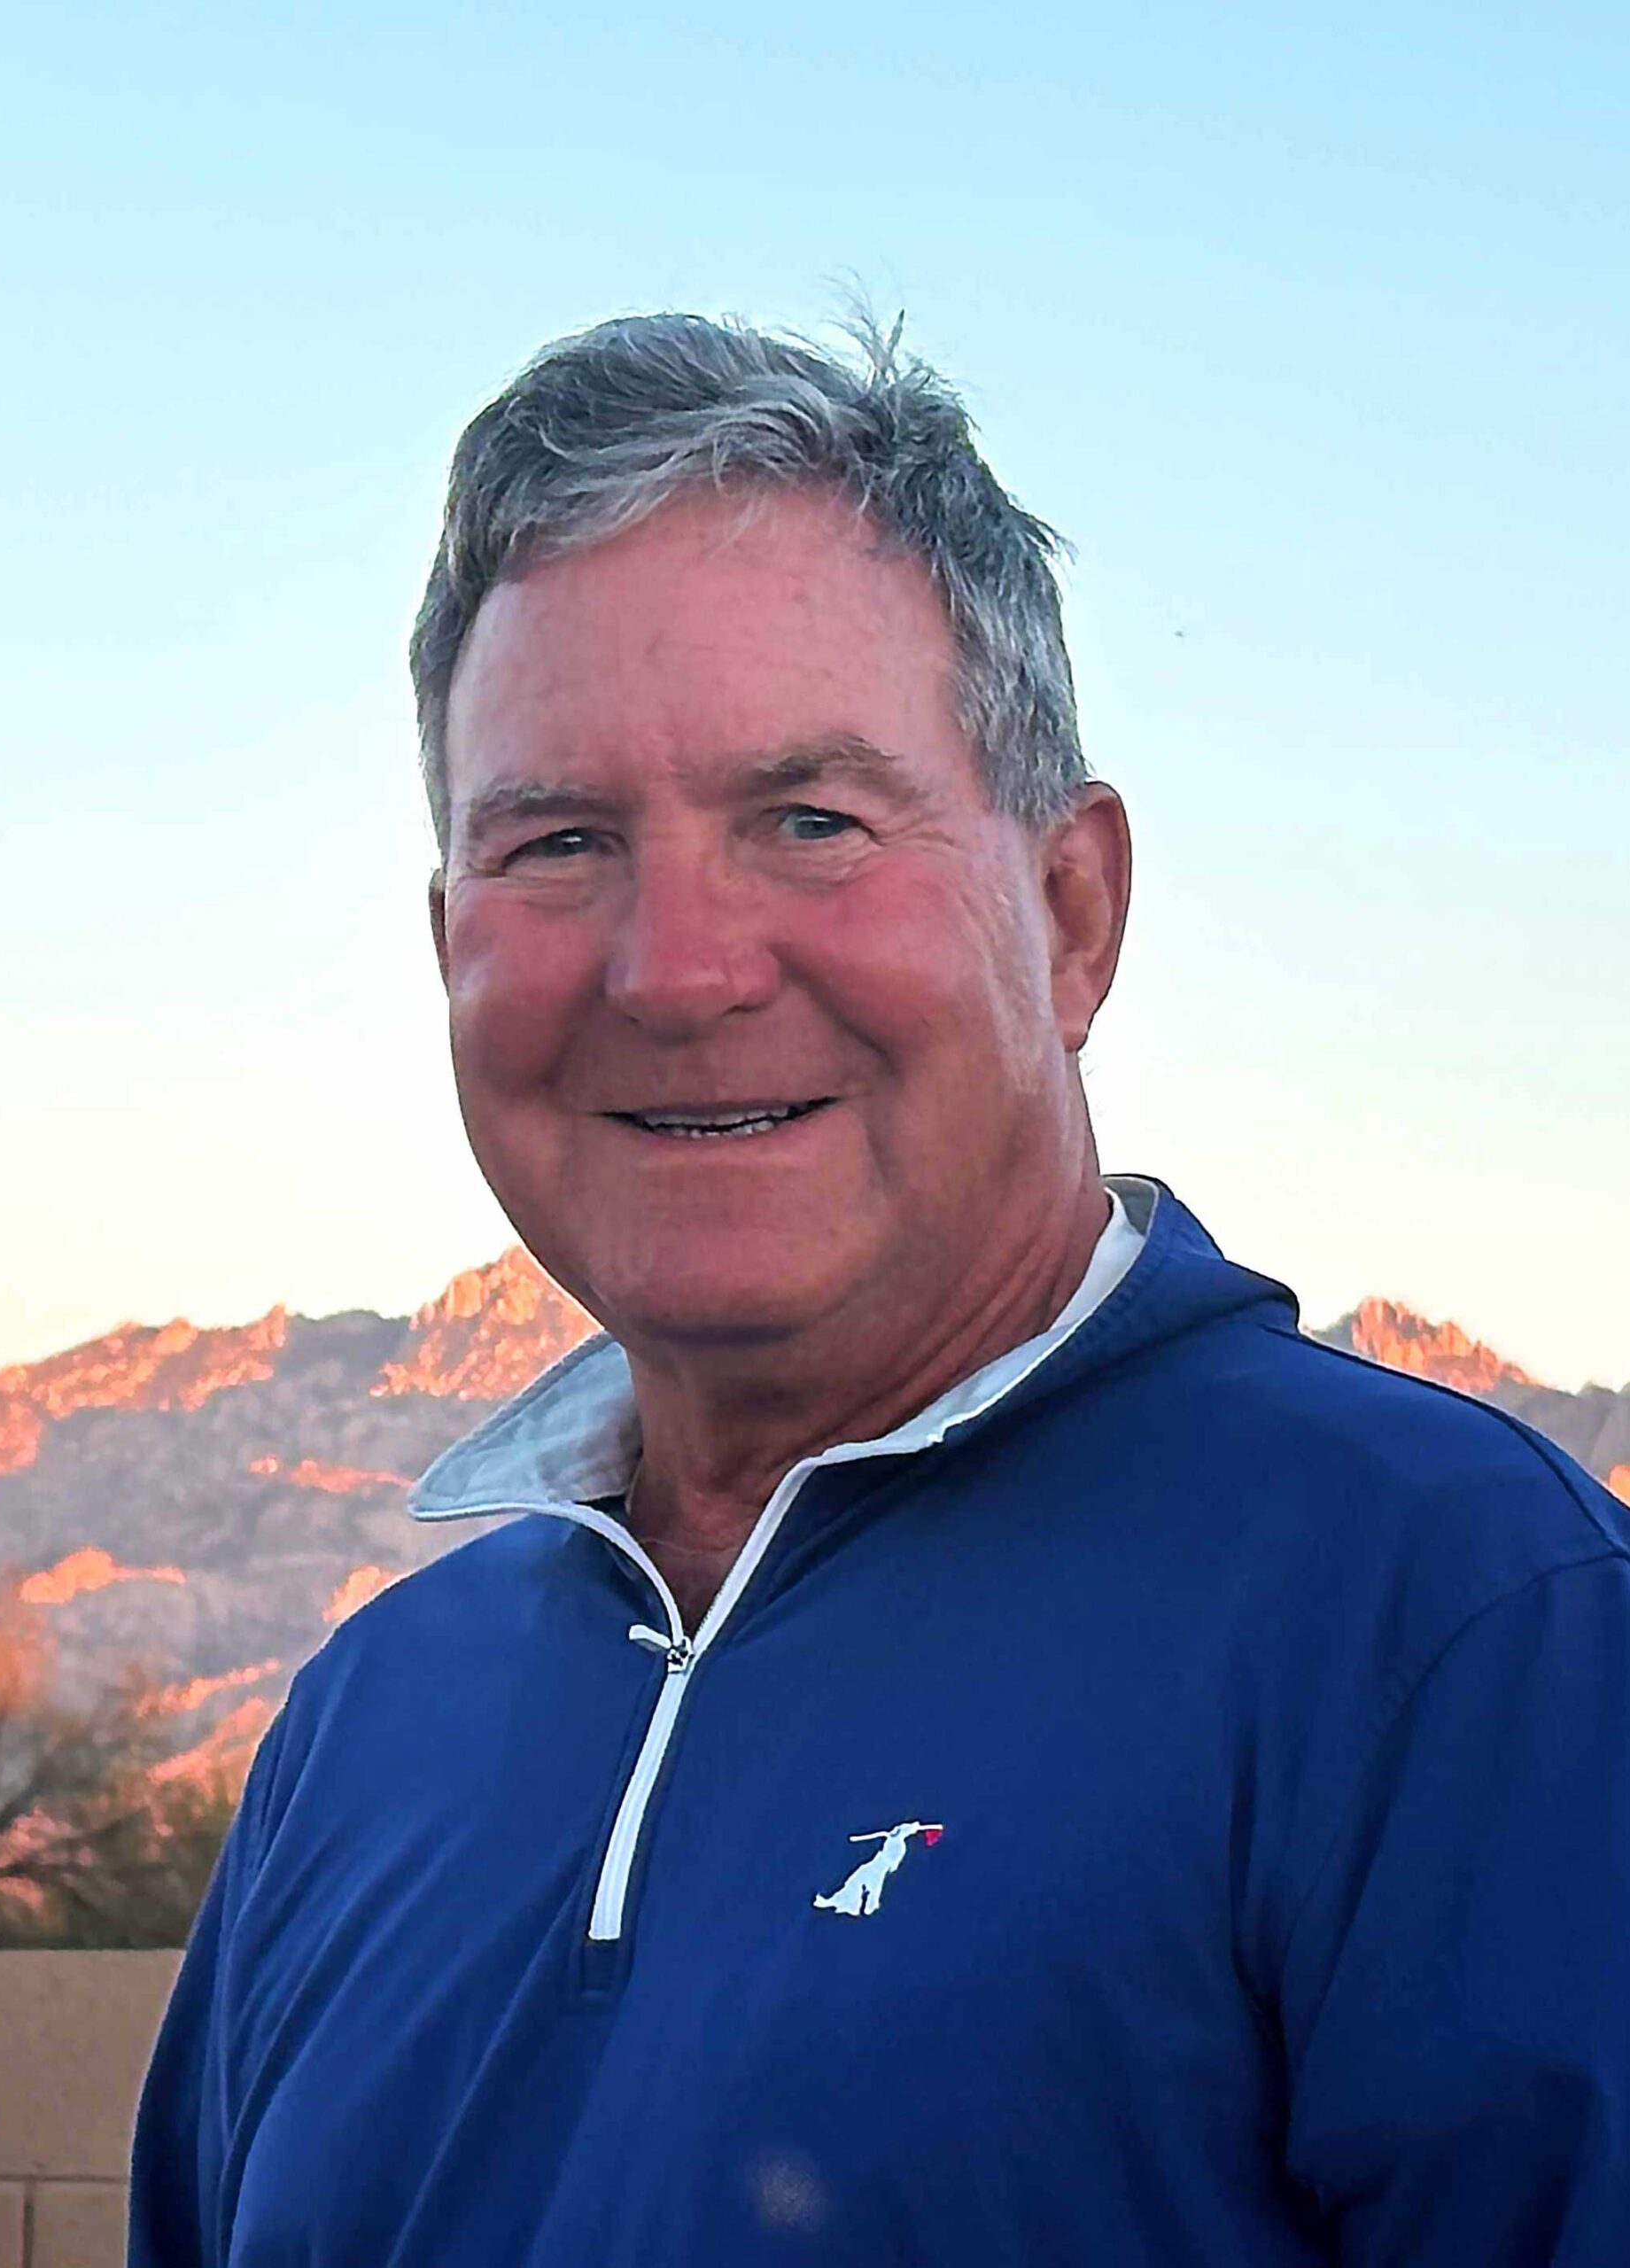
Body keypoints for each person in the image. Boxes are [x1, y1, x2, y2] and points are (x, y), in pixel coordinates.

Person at [128, 313, 1630, 2266]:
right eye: (558, 841)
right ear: (445, 946)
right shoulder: (367, 1722)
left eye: (810, 822)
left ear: (1070, 910)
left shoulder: (1450, 1627)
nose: (675, 966)